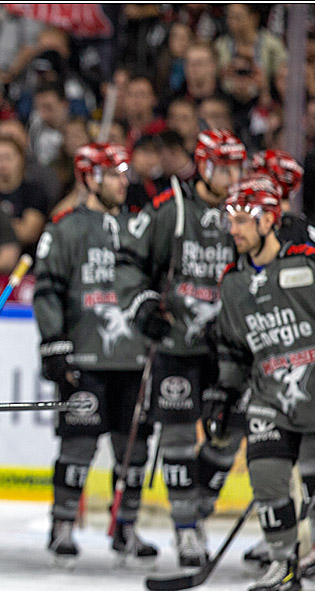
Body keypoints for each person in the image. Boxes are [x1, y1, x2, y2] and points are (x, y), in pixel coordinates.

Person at [115, 129, 246, 567]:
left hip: (227, 347)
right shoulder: (170, 208)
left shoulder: (243, 214)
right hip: (176, 344)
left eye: (235, 167)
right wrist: (144, 307)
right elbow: (129, 263)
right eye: (222, 167)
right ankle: (186, 529)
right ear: (204, 166)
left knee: (228, 436)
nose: (230, 176)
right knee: (174, 436)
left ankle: (199, 509)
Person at [206, 176, 315, 591]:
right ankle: (284, 564)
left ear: (269, 220)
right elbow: (234, 347)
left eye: (242, 220)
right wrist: (223, 390)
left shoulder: (314, 266)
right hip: (271, 396)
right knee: (266, 475)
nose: (234, 230)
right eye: (231, 221)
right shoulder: (234, 282)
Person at [33, 143, 158, 568]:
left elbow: (155, 281)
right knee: (78, 446)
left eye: (124, 173)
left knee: (135, 449)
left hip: (134, 357)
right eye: (114, 174)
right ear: (90, 178)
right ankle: (63, 524)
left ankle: (126, 525)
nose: (124, 181)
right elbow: (47, 289)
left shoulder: (139, 227)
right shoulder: (66, 228)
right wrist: (54, 343)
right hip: (84, 356)